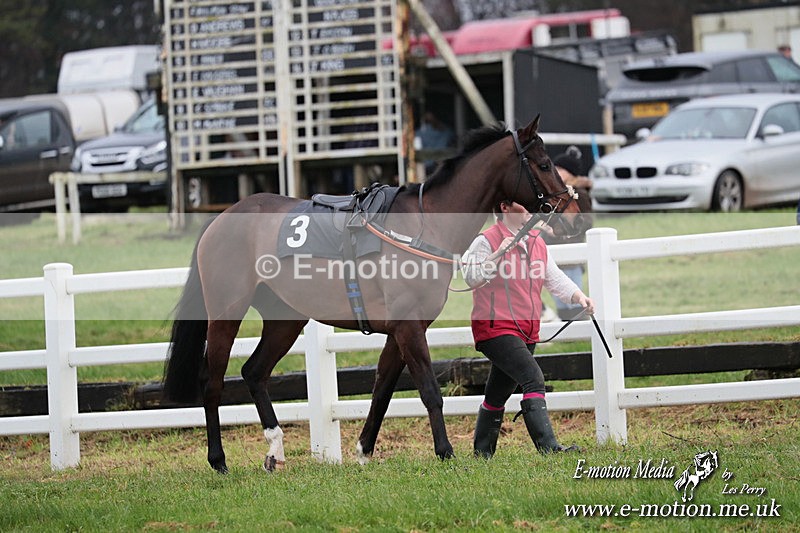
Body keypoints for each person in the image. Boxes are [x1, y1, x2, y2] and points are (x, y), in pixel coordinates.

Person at [462, 200, 595, 458]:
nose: (529, 211)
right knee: (533, 378)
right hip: (495, 327)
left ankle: (482, 454)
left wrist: (579, 297)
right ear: (504, 208)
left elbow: (553, 278)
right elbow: (471, 277)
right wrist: (497, 254)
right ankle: (549, 449)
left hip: (526, 329)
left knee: (497, 394)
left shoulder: (536, 241)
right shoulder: (486, 240)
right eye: (523, 206)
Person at [545, 147, 594, 320]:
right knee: (560, 298)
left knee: (573, 295)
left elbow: (587, 221)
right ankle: (568, 332)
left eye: (560, 170)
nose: (555, 173)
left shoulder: (579, 195)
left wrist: (563, 230)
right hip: (552, 251)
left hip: (572, 250)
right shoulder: (552, 195)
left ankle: (579, 328)